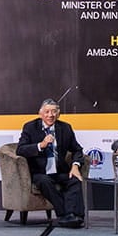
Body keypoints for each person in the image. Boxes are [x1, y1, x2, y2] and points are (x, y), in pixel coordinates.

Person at [16, 98, 86, 228]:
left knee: (75, 179)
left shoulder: (65, 128)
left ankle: (76, 215)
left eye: (54, 112)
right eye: (47, 112)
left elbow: (77, 149)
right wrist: (40, 145)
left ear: (58, 114)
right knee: (44, 181)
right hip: (40, 172)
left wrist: (75, 165)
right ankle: (65, 214)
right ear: (40, 113)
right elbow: (20, 149)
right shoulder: (30, 127)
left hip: (59, 171)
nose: (50, 115)